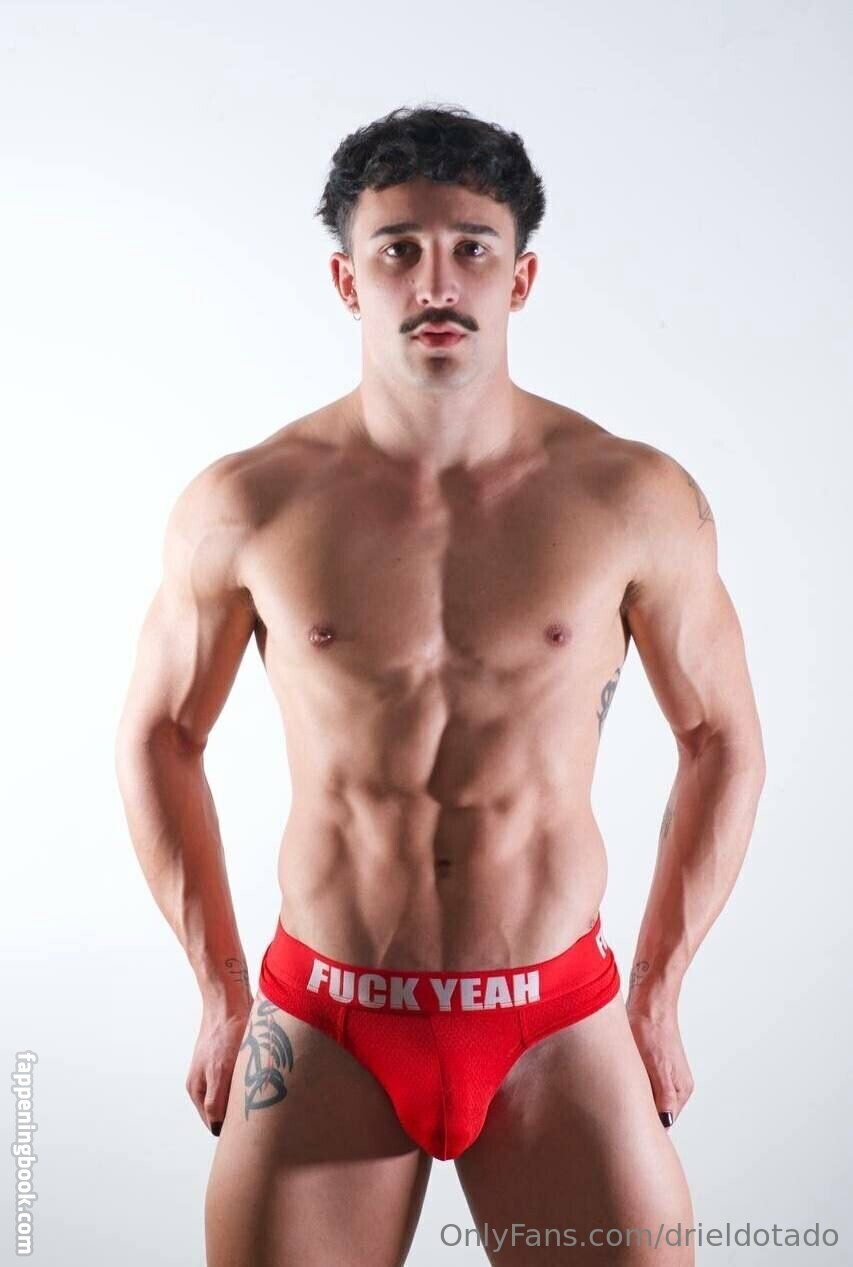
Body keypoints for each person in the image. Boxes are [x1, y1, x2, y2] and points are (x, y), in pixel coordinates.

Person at [115, 104, 766, 1267]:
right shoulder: (249, 503)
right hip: (324, 1018)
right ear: (345, 278)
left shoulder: (630, 496)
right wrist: (218, 988)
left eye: (470, 247)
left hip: (555, 1021)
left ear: (520, 278)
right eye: (398, 249)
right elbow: (160, 732)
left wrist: (659, 987)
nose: (435, 281)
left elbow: (721, 736)